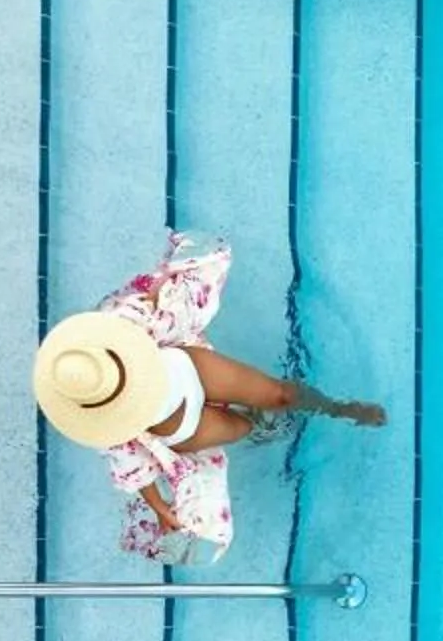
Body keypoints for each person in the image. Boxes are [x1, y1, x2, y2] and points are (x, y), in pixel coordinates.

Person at [31, 229, 384, 563]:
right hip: (181, 429)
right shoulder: (103, 423)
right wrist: (160, 509)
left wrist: (165, 281)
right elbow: (134, 469)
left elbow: (148, 297)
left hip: (186, 369)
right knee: (245, 426)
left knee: (279, 395)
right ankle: (263, 424)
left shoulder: (115, 323)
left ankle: (336, 407)